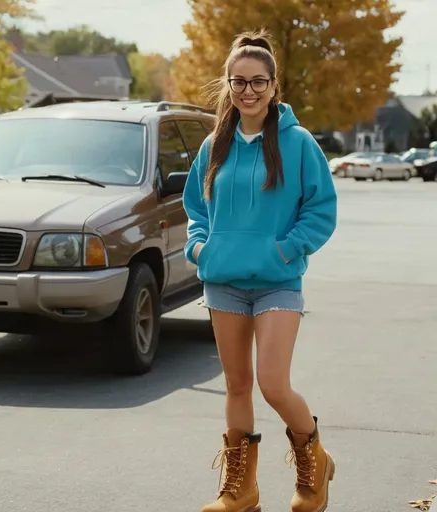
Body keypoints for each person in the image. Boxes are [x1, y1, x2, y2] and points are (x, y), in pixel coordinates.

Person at [182, 29, 338, 512]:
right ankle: (241, 490)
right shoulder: (215, 144)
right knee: (237, 386)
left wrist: (287, 251)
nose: (248, 91)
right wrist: (199, 248)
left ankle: (313, 453)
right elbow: (196, 208)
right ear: (228, 85)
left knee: (272, 383)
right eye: (238, 82)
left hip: (277, 281)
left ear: (274, 86)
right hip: (223, 281)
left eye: (258, 82)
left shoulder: (299, 143)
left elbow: (321, 210)